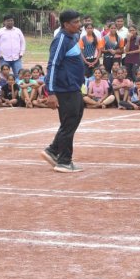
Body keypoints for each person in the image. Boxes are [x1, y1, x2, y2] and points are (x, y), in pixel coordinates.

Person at [42, 10, 87, 173]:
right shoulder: (60, 39)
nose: (79, 24)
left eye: (79, 21)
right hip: (65, 88)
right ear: (66, 24)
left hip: (74, 87)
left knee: (73, 120)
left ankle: (53, 150)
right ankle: (64, 161)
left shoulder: (73, 37)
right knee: (69, 123)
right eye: (75, 22)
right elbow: (53, 65)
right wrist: (51, 92)